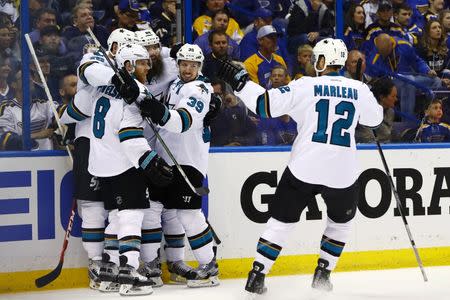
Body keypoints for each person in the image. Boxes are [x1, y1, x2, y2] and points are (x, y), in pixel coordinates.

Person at [216, 38, 383, 297]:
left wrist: (241, 83)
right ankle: (323, 274)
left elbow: (263, 105)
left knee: (281, 222)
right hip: (342, 170)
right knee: (340, 224)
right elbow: (375, 120)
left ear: (322, 61)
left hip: (306, 166)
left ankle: (258, 274)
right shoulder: (358, 88)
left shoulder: (306, 85)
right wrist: (364, 90)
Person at [139, 44, 219, 288]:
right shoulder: (175, 83)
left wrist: (156, 110)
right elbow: (159, 52)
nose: (187, 69)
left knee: (188, 213)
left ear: (199, 67)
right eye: (183, 64)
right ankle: (151, 264)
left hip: (188, 161)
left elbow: (181, 122)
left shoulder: (200, 89)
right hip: (165, 157)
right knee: (152, 208)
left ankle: (209, 266)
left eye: (193, 65)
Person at [135, 28, 194, 285]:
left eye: (156, 46)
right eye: (147, 49)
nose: (153, 53)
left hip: (163, 148)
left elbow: (192, 68)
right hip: (133, 149)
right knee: (145, 210)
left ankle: (176, 261)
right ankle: (148, 262)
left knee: (172, 209)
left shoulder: (169, 66)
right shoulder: (126, 72)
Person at [356, 77, 398, 143]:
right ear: (382, 97)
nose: (396, 99)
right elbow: (368, 138)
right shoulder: (366, 113)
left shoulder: (390, 112)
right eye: (393, 96)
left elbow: (388, 136)